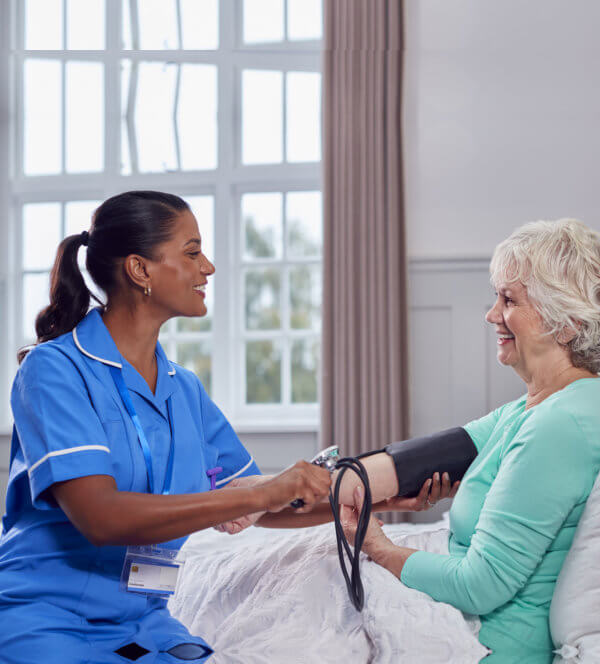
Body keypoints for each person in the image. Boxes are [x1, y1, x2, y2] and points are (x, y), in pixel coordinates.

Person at [0, 190, 331, 663]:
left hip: (142, 620)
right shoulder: (53, 371)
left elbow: (264, 499)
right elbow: (102, 516)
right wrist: (263, 494)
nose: (208, 267)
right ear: (141, 270)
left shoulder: (184, 389)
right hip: (45, 615)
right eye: (192, 253)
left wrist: (370, 497)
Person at [339, 218, 600, 663]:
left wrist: (379, 548)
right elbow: (391, 469)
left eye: (509, 299)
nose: (491, 314)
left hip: (490, 644)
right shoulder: (531, 408)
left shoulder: (561, 424)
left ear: (567, 324)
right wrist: (277, 489)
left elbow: (480, 585)